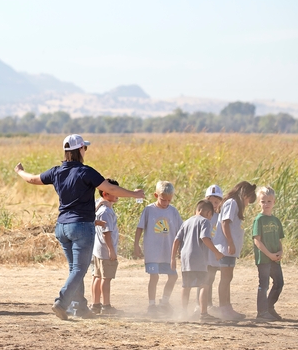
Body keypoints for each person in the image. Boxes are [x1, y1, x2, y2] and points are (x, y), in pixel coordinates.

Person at [15, 135, 144, 320]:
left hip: (62, 227)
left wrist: (20, 171)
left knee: (75, 269)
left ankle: (80, 308)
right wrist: (134, 193)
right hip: (82, 226)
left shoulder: (56, 171)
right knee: (79, 269)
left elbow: (32, 179)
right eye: (85, 148)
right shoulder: (86, 172)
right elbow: (111, 189)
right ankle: (62, 302)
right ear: (81, 149)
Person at [134, 181, 183, 317]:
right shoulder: (149, 210)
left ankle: (164, 302)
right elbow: (140, 228)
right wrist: (136, 244)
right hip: (153, 252)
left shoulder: (173, 211)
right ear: (156, 195)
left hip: (168, 252)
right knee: (154, 277)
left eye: (169, 200)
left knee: (173, 276)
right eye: (163, 199)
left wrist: (181, 248)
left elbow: (181, 230)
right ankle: (151, 305)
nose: (166, 203)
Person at [171, 200, 223, 321]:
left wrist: (172, 258)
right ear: (209, 213)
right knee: (204, 285)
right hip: (199, 259)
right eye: (211, 216)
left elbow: (176, 240)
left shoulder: (186, 222)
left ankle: (183, 313)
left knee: (186, 286)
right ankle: (203, 314)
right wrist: (216, 252)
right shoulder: (205, 221)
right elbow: (204, 238)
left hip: (185, 259)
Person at [213, 181, 257, 320]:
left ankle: (227, 307)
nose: (247, 204)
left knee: (228, 277)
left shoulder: (232, 204)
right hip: (226, 248)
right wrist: (231, 243)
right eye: (248, 200)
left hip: (229, 249)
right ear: (245, 194)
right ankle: (223, 308)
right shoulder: (232, 203)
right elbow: (225, 223)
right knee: (225, 278)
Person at [252, 186, 284, 321]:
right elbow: (257, 241)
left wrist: (280, 251)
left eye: (269, 201)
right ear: (259, 202)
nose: (266, 204)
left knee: (279, 283)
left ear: (274, 202)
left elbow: (279, 239)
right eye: (263, 201)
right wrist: (269, 255)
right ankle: (261, 312)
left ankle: (269, 308)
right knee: (263, 285)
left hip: (275, 258)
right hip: (264, 259)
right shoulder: (258, 219)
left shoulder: (276, 220)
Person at [91, 179, 122, 316]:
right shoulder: (106, 212)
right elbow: (107, 233)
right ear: (105, 194)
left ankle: (95, 304)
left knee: (97, 276)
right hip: (104, 250)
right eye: (113, 191)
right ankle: (106, 305)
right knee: (106, 278)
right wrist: (111, 250)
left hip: (97, 249)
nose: (117, 194)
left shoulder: (99, 204)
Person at [195, 184, 223, 317]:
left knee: (210, 279)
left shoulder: (220, 217)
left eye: (216, 202)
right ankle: (199, 305)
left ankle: (209, 304)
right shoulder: (200, 218)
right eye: (211, 201)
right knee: (202, 280)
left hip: (213, 253)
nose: (214, 204)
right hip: (203, 253)